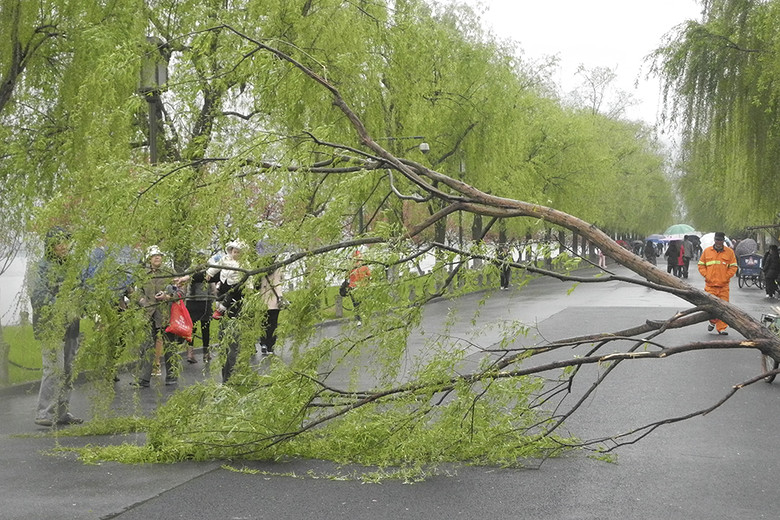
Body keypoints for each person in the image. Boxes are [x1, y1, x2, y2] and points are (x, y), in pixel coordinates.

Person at [30, 227, 84, 427]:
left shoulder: (72, 266)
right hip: (51, 327)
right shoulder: (40, 268)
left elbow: (81, 288)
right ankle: (44, 412)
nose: (63, 246)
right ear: (50, 246)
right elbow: (38, 295)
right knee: (54, 369)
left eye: (65, 242)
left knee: (69, 369)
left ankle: (62, 412)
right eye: (59, 242)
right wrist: (61, 305)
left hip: (71, 325)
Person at [131, 245, 180, 387]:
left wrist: (168, 296)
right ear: (149, 259)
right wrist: (142, 301)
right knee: (146, 346)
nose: (157, 257)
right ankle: (143, 379)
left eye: (159, 255)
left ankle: (172, 376)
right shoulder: (142, 274)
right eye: (154, 255)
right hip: (148, 314)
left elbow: (181, 290)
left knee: (170, 345)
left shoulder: (169, 272)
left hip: (165, 314)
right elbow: (135, 291)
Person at [206, 240, 249, 383]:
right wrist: (207, 274)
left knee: (233, 343)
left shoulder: (244, 266)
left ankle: (232, 376)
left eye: (238, 252)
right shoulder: (225, 261)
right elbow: (213, 270)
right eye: (234, 251)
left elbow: (243, 286)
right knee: (224, 342)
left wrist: (226, 303)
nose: (235, 254)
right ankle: (227, 376)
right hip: (224, 291)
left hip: (235, 304)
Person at [175, 250, 215, 363]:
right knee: (205, 328)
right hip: (204, 302)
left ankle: (190, 353)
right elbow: (212, 288)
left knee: (191, 328)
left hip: (191, 302)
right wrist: (214, 296)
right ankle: (206, 353)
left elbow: (183, 289)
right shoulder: (208, 271)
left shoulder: (189, 271)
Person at [698, 232, 738, 335]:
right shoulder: (707, 251)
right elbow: (701, 265)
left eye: (720, 240)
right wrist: (707, 275)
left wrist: (725, 277)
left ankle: (722, 328)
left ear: (723, 241)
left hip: (723, 286)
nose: (718, 242)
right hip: (710, 285)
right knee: (711, 307)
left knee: (724, 308)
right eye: (717, 240)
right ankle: (712, 321)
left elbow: (733, 267)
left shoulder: (729, 252)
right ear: (714, 240)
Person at [257, 267, 284, 355]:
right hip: (274, 300)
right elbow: (280, 282)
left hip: (263, 300)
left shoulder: (259, 268)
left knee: (263, 323)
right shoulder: (278, 268)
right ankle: (270, 345)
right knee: (273, 324)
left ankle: (264, 343)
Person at [341, 249, 371, 323]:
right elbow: (369, 276)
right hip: (362, 287)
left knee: (356, 304)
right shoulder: (364, 267)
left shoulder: (351, 267)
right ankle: (362, 315)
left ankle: (358, 318)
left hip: (353, 287)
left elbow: (347, 277)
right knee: (362, 302)